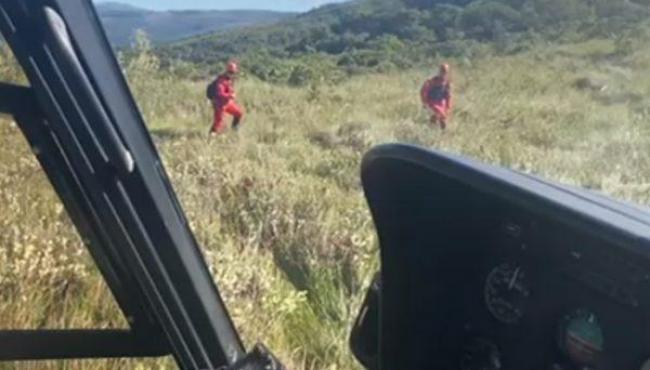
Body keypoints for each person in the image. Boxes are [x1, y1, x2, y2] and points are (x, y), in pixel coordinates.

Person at [209, 61, 243, 135]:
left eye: (233, 73)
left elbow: (229, 90)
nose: (233, 74)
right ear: (227, 71)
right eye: (231, 72)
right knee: (218, 122)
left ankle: (234, 131)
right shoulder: (221, 80)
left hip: (227, 103)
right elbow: (219, 94)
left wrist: (230, 94)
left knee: (238, 113)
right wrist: (230, 95)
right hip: (219, 104)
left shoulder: (229, 79)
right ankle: (210, 138)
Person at [421, 63, 453, 130]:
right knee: (435, 116)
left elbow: (448, 96)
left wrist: (448, 107)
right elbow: (424, 92)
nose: (443, 73)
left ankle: (442, 136)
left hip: (441, 104)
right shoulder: (431, 81)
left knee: (443, 121)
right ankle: (430, 133)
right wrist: (425, 103)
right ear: (439, 71)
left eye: (445, 72)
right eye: (442, 71)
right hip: (431, 103)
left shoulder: (447, 83)